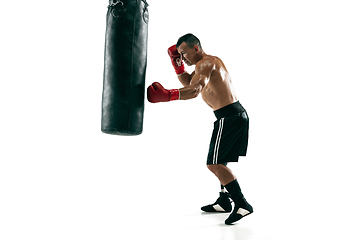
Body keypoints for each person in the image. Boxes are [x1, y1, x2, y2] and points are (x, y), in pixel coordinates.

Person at [147, 33, 253, 224]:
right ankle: (224, 201)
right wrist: (177, 66)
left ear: (196, 48)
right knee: (221, 160)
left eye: (184, 53)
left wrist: (168, 95)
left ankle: (242, 204)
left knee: (214, 164)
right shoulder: (207, 64)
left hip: (229, 117)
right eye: (179, 55)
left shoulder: (204, 64)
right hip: (233, 115)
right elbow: (190, 83)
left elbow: (195, 91)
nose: (183, 58)